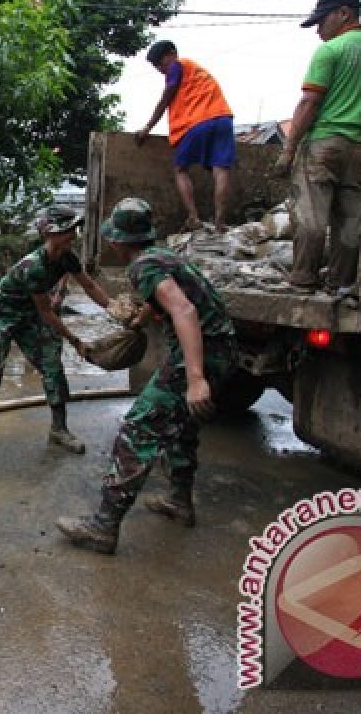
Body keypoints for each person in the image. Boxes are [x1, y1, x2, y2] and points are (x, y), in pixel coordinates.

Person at [56, 198, 235, 554]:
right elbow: (167, 301)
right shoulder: (164, 256)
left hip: (200, 357)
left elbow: (182, 309)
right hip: (224, 351)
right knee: (182, 429)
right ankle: (179, 502)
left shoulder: (143, 266)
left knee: (139, 429)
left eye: (112, 237)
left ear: (121, 240)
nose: (109, 242)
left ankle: (103, 527)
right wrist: (138, 322)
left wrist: (196, 378)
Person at [0, 204, 111, 468]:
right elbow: (47, 313)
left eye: (74, 228)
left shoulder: (66, 257)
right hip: (1, 314)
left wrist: (114, 308)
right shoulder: (34, 267)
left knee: (52, 364)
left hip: (28, 313)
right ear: (51, 233)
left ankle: (59, 429)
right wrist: (76, 341)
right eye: (68, 230)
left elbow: (89, 285)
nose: (74, 234)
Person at [271, 0, 361, 295]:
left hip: (324, 143)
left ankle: (302, 280)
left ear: (344, 13)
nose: (318, 31)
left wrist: (289, 149)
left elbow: (310, 102)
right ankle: (339, 282)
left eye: (321, 22)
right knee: (350, 220)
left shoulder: (331, 50)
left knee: (311, 214)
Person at [136, 41, 235, 231]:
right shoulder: (196, 70)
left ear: (172, 54)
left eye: (160, 63)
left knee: (181, 169)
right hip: (223, 119)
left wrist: (148, 127)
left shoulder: (178, 65)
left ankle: (193, 217)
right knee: (221, 170)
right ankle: (220, 223)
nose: (159, 69)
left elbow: (166, 98)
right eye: (155, 66)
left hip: (197, 122)